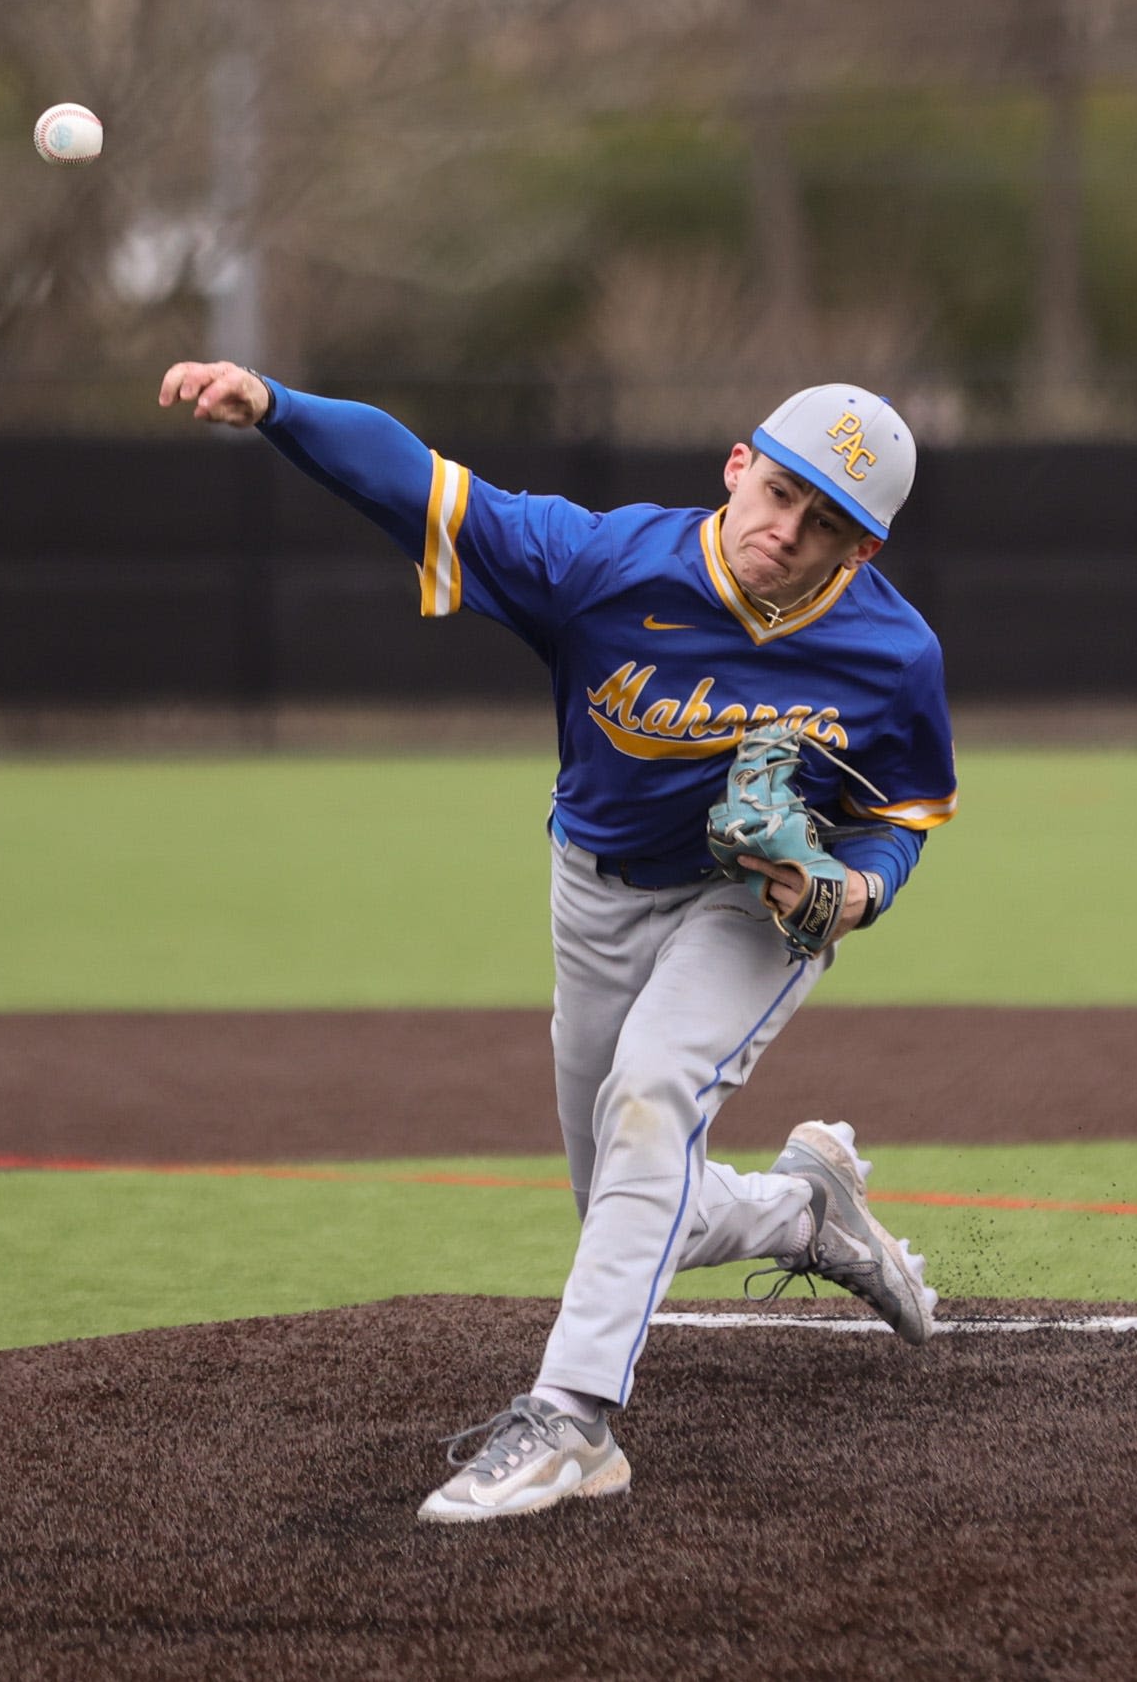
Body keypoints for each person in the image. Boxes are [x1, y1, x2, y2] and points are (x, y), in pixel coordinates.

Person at [159, 359, 958, 1523]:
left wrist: (851, 896)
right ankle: (804, 1212)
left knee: (651, 1096)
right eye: (781, 492)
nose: (787, 531)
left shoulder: (895, 656)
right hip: (591, 887)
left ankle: (572, 1422)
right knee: (624, 1205)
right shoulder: (599, 563)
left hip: (748, 909)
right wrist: (276, 409)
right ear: (737, 467)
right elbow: (417, 482)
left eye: (828, 523)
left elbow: (903, 811)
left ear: (862, 553)